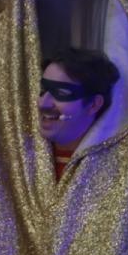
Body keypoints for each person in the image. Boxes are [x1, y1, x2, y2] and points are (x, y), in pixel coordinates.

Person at [37, 48, 120, 180]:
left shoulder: (117, 173)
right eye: (43, 90)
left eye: (61, 93)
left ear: (94, 104)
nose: (43, 104)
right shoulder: (24, 163)